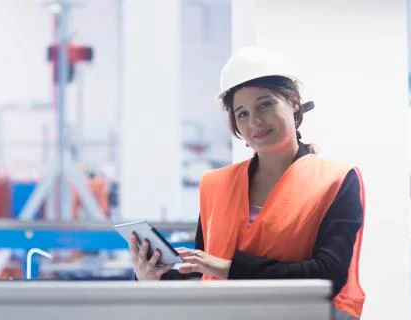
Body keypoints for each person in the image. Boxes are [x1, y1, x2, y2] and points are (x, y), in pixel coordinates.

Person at [129, 46, 366, 320]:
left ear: (293, 103)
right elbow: (201, 272)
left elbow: (327, 275)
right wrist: (149, 278)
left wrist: (229, 268)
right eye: (241, 113)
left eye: (265, 104)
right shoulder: (215, 185)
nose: (255, 121)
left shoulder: (336, 179)